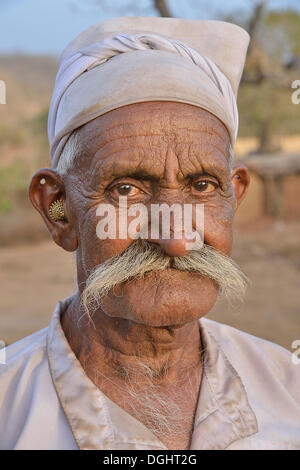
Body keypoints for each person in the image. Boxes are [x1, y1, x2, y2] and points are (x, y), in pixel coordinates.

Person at [0, 17, 299, 450]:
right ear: (59, 211)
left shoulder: (288, 387)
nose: (177, 239)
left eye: (202, 186)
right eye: (126, 190)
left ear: (234, 197)